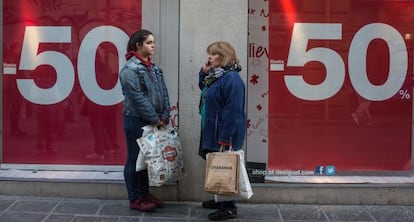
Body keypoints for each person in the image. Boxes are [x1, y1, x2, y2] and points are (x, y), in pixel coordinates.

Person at [119, 29, 171, 212]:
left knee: (146, 160)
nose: (153, 45)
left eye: (153, 42)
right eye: (149, 42)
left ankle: (144, 193)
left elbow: (164, 92)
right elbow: (137, 98)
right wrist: (155, 118)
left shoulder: (155, 68)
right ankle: (135, 198)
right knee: (134, 159)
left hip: (154, 121)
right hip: (135, 120)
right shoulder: (129, 70)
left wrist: (165, 115)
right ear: (138, 45)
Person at [198, 41, 247, 221]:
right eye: (209, 53)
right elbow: (204, 90)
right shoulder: (217, 76)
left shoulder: (232, 79)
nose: (209, 57)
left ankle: (228, 207)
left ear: (224, 56)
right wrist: (203, 73)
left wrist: (225, 138)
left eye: (213, 54)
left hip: (225, 132)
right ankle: (219, 198)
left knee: (225, 165)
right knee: (216, 164)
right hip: (213, 128)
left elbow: (233, 110)